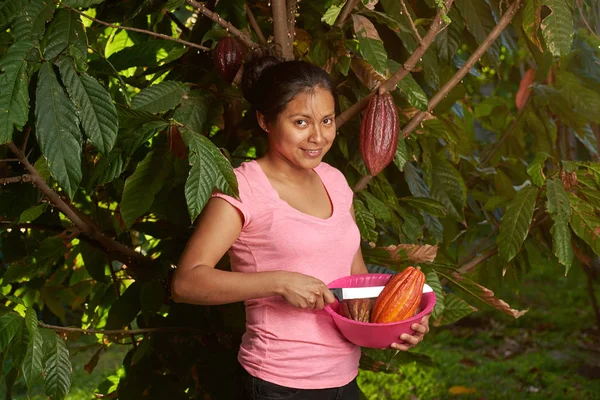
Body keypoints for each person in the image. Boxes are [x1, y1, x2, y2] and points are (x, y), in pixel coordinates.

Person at [171, 50, 431, 400]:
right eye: (301, 122)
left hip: (343, 378)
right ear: (265, 121)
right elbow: (186, 282)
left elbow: (354, 281)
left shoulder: (334, 181)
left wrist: (396, 322)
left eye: (327, 121)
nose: (318, 137)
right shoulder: (243, 187)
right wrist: (279, 282)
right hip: (279, 384)